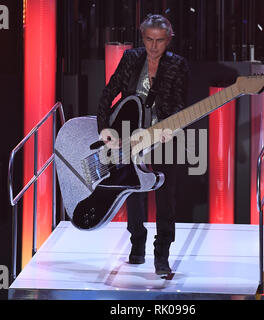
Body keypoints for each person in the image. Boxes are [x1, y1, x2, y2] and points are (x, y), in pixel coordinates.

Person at [97, 14, 189, 275]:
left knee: (165, 197)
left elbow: (182, 102)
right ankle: (137, 244)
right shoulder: (130, 59)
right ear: (142, 38)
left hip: (163, 136)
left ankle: (162, 256)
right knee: (133, 191)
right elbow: (108, 93)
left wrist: (170, 126)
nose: (153, 46)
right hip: (128, 133)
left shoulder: (178, 65)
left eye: (159, 41)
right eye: (149, 39)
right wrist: (104, 126)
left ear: (168, 40)